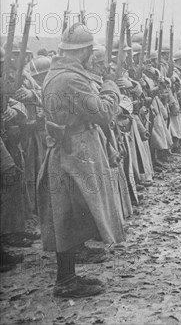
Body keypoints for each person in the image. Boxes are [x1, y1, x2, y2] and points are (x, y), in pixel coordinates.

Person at [38, 23, 125, 298]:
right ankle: (65, 282)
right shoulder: (70, 80)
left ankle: (68, 277)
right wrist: (111, 86)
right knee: (67, 215)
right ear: (85, 51)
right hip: (76, 153)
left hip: (68, 150)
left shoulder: (58, 74)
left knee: (69, 215)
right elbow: (103, 112)